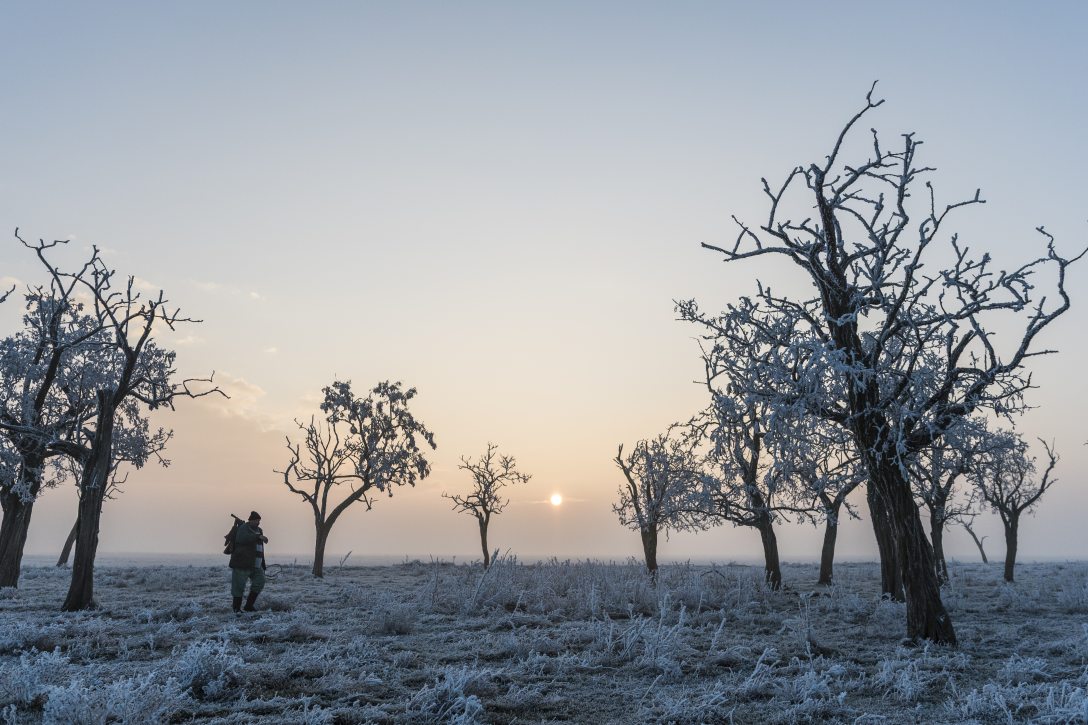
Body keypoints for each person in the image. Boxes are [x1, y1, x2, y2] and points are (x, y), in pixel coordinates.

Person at [229, 511, 268, 614]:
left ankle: (249, 606)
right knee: (239, 586)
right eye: (256, 521)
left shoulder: (259, 530)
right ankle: (236, 609)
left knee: (260, 581)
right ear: (250, 520)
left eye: (259, 521)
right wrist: (257, 537)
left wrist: (263, 563)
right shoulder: (243, 528)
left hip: (256, 564)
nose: (258, 523)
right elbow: (241, 539)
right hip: (242, 563)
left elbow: (260, 548)